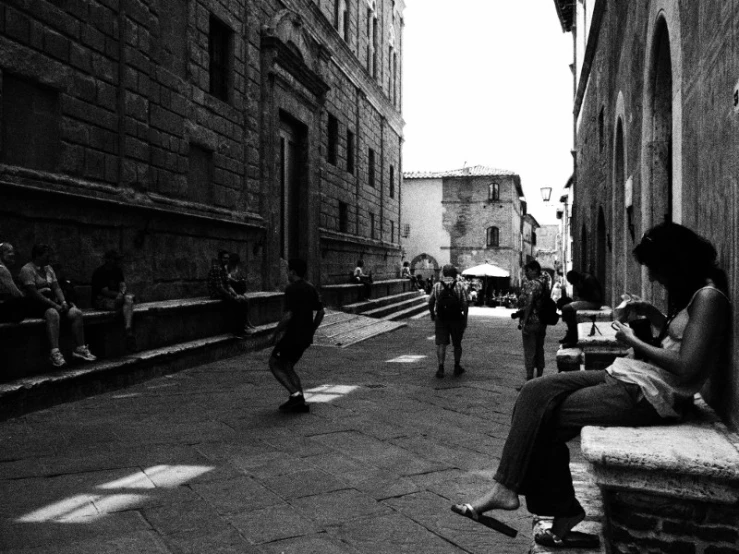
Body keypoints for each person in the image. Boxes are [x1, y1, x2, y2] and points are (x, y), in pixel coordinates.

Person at [450, 222, 731, 548]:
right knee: (534, 391)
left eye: (655, 268)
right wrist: (651, 313)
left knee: (546, 419)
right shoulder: (695, 294)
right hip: (632, 375)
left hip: (651, 396)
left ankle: (543, 503)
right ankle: (510, 489)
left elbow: (688, 366)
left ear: (675, 261)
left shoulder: (709, 298)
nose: (653, 276)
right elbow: (676, 341)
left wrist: (631, 340)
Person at [19, 244, 97, 368]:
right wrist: (54, 305)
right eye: (46, 256)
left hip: (52, 301)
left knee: (76, 313)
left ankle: (80, 348)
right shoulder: (27, 270)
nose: (49, 258)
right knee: (53, 314)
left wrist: (64, 302)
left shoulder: (48, 269)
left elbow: (57, 288)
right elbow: (33, 293)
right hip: (35, 304)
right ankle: (55, 352)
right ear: (37, 256)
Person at [269, 258, 325, 413]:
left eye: (288, 271)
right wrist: (312, 329)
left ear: (292, 272)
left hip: (292, 335)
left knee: (274, 363)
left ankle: (296, 395)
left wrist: (275, 333)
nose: (287, 273)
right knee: (287, 366)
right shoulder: (311, 288)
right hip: (305, 336)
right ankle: (299, 402)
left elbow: (288, 315)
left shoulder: (291, 289)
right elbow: (321, 312)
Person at [428, 264, 469, 378]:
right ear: (455, 274)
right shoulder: (460, 285)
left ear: (444, 274)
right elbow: (465, 303)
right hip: (456, 318)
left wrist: (432, 313)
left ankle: (441, 367)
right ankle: (456, 366)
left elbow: (431, 301)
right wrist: (465, 318)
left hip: (441, 319)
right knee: (457, 344)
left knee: (441, 343)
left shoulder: (437, 285)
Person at [91, 250, 136, 351]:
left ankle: (128, 331)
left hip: (117, 298)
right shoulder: (99, 272)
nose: (116, 261)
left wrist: (122, 294)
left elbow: (123, 285)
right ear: (107, 260)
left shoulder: (117, 270)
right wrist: (120, 295)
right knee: (128, 301)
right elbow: (105, 292)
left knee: (128, 299)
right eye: (114, 259)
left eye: (117, 259)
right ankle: (124, 317)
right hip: (100, 300)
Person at [208, 250, 254, 337]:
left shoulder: (223, 268)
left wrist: (236, 295)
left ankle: (242, 328)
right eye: (224, 258)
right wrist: (233, 297)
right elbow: (220, 287)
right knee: (237, 303)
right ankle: (237, 331)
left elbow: (228, 286)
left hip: (224, 292)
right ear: (219, 258)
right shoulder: (216, 268)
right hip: (216, 293)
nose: (226, 260)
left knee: (243, 301)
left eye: (227, 258)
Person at [516, 260, 549, 383]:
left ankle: (529, 379)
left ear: (535, 270)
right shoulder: (544, 283)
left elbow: (529, 302)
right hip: (542, 321)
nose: (526, 273)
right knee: (540, 348)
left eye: (528, 270)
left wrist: (524, 320)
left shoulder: (531, 284)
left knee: (529, 351)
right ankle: (540, 377)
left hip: (531, 321)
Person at [559, 270, 604, 347]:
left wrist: (582, 297)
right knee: (566, 306)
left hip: (594, 303)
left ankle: (573, 338)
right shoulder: (581, 279)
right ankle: (570, 333)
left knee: (566, 308)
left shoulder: (588, 280)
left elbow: (596, 297)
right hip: (589, 301)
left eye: (571, 282)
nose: (571, 284)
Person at [0, 242, 28, 323]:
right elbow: (16, 293)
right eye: (8, 252)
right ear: (1, 254)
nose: (12, 254)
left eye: (12, 251)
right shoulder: (2, 270)